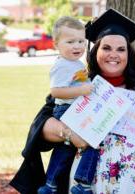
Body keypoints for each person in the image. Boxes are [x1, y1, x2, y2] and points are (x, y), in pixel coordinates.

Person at [10, 8, 135, 194]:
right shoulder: (79, 85)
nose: (114, 54)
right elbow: (42, 123)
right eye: (106, 48)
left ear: (128, 54)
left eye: (121, 49)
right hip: (85, 184)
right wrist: (70, 134)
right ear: (96, 52)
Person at [38, 16, 97, 194]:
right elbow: (56, 91)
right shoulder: (62, 65)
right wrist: (82, 91)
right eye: (70, 41)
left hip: (73, 109)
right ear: (56, 43)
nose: (77, 46)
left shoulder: (75, 63)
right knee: (92, 141)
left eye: (81, 41)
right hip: (67, 110)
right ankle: (83, 183)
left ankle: (50, 185)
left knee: (64, 150)